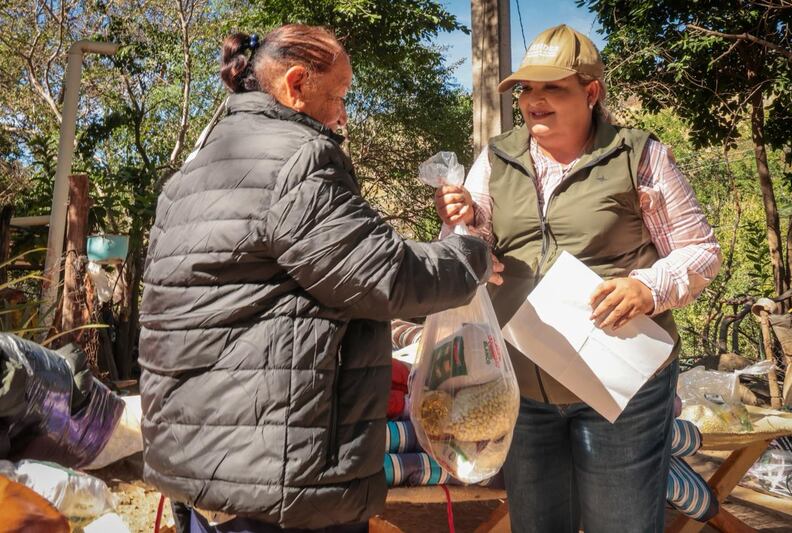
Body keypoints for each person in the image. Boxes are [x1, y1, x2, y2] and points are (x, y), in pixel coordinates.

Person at [138, 24, 501, 533]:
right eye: (339, 95)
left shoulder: (192, 173)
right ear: (295, 84)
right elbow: (384, 273)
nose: (343, 114)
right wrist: (470, 256)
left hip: (201, 459)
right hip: (275, 473)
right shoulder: (297, 160)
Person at [436, 24, 721, 532]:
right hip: (522, 385)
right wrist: (460, 222)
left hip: (619, 385)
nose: (534, 101)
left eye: (553, 88)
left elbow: (700, 250)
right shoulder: (497, 158)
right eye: (527, 89)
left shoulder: (638, 155)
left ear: (591, 93)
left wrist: (647, 288)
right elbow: (474, 246)